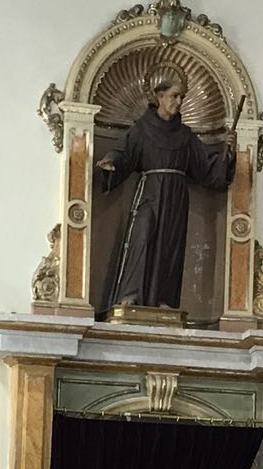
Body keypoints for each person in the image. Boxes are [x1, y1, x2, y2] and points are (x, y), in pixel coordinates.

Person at [96, 65, 235, 311]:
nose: (179, 101)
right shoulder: (142, 129)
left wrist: (228, 153)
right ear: (160, 97)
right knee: (141, 238)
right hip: (149, 194)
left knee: (170, 246)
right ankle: (131, 294)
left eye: (182, 97)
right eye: (174, 96)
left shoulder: (185, 136)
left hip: (176, 199)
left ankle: (164, 299)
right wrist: (111, 163)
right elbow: (123, 152)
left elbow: (206, 166)